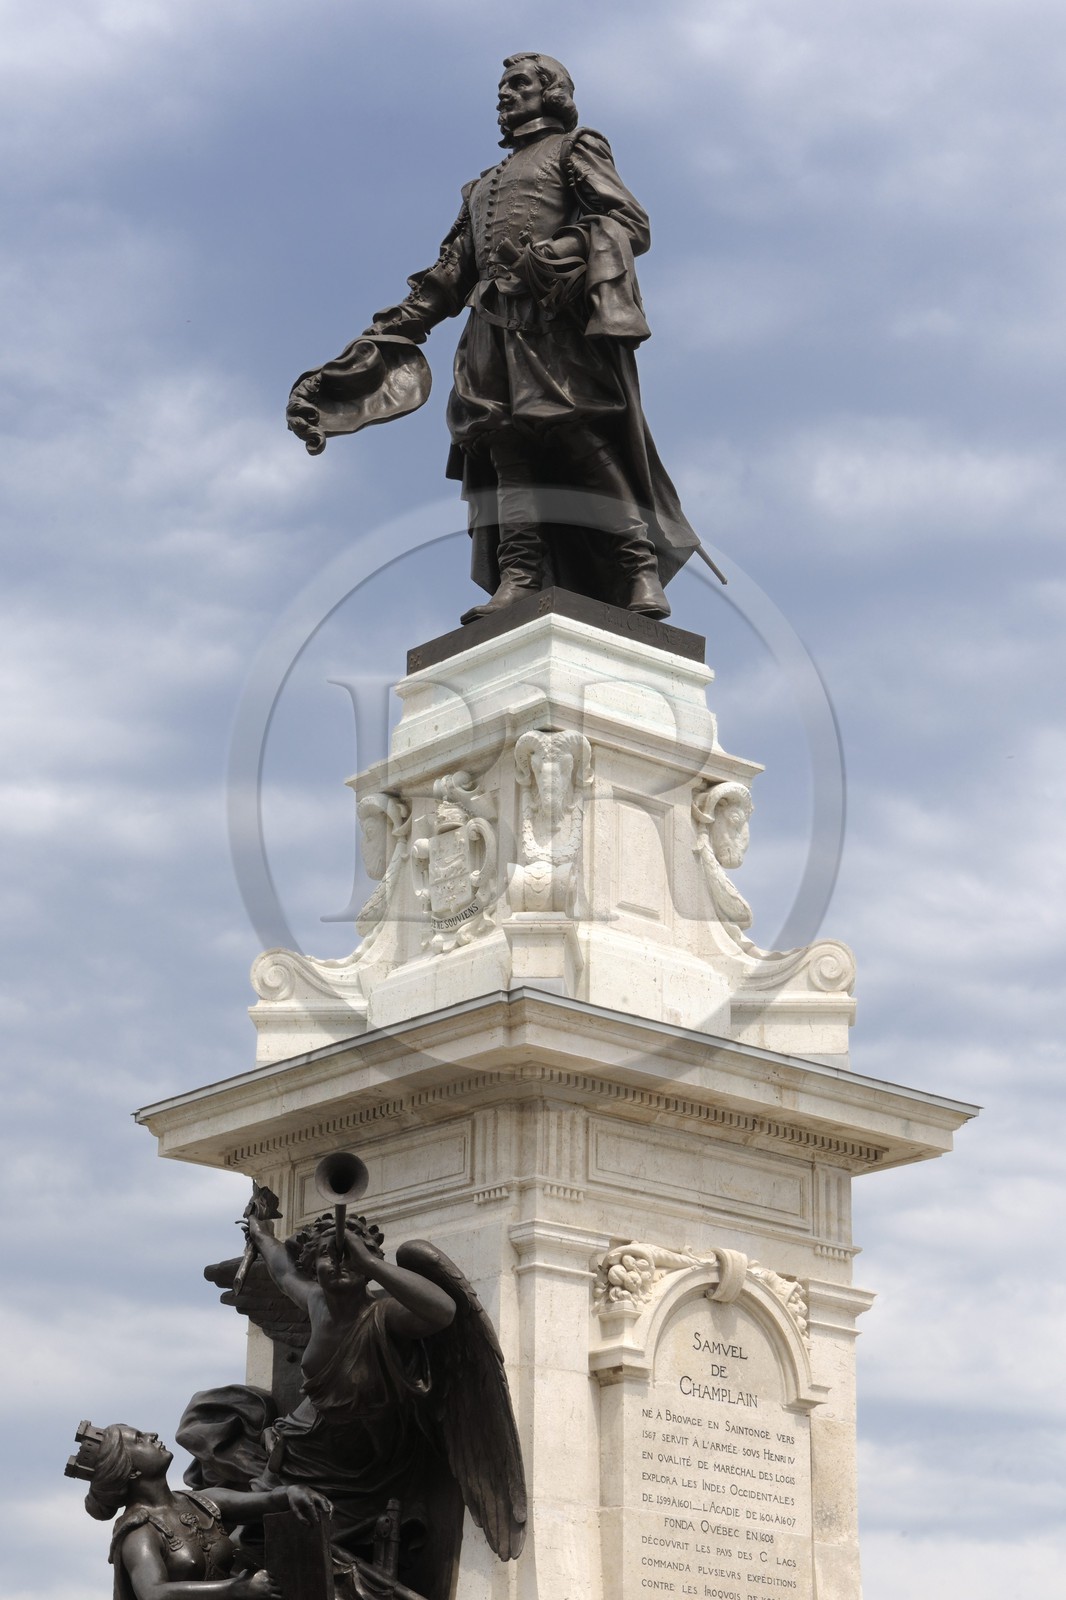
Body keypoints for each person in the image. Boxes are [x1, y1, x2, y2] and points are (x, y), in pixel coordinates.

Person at [291, 53, 699, 622]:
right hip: (487, 334)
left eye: (518, 83)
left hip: (550, 323)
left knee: (580, 439)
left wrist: (554, 253)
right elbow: (447, 278)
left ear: (551, 91)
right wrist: (371, 347)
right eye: (502, 86)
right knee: (506, 449)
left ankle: (639, 570)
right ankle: (520, 578)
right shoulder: (480, 187)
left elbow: (628, 223)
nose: (505, 95)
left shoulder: (575, 147)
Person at [242, 1210, 456, 1570]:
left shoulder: (385, 1316)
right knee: (242, 1538)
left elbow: (443, 1311)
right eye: (328, 1254)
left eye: (349, 1255)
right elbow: (282, 1272)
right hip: (298, 1454)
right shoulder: (316, 1303)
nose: (340, 1263)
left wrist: (369, 1261)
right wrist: (261, 1234)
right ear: (313, 1263)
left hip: (359, 1472)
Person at [64, 1420, 330, 1600]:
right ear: (131, 1471)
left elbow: (268, 1502)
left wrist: (290, 1493)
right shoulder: (140, 1533)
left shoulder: (202, 1501)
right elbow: (154, 1593)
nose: (152, 1435)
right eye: (140, 1439)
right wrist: (234, 1590)